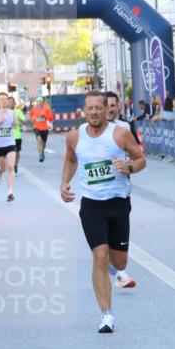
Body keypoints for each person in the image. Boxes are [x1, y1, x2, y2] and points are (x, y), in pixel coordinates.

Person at [59, 90, 147, 333]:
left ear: (106, 109)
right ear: (84, 111)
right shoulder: (74, 137)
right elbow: (70, 159)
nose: (95, 112)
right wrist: (64, 183)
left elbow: (141, 159)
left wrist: (129, 166)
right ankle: (106, 315)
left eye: (99, 107)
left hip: (118, 202)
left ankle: (114, 266)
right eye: (90, 108)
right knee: (99, 255)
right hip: (91, 205)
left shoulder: (119, 134)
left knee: (119, 262)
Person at [29, 96, 55, 163]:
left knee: (43, 143)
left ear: (43, 102)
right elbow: (30, 116)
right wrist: (33, 118)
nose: (40, 102)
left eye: (41, 101)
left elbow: (51, 118)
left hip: (45, 128)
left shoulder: (46, 109)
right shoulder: (34, 109)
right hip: (36, 127)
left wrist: (45, 115)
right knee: (39, 139)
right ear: (37, 102)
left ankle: (42, 152)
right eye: (38, 101)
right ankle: (40, 154)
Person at [10, 96, 25, 174]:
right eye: (9, 102)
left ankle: (15, 165)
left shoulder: (18, 111)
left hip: (17, 135)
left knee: (17, 152)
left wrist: (19, 119)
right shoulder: (4, 111)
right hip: (7, 136)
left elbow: (24, 122)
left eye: (12, 102)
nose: (10, 103)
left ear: (14, 103)